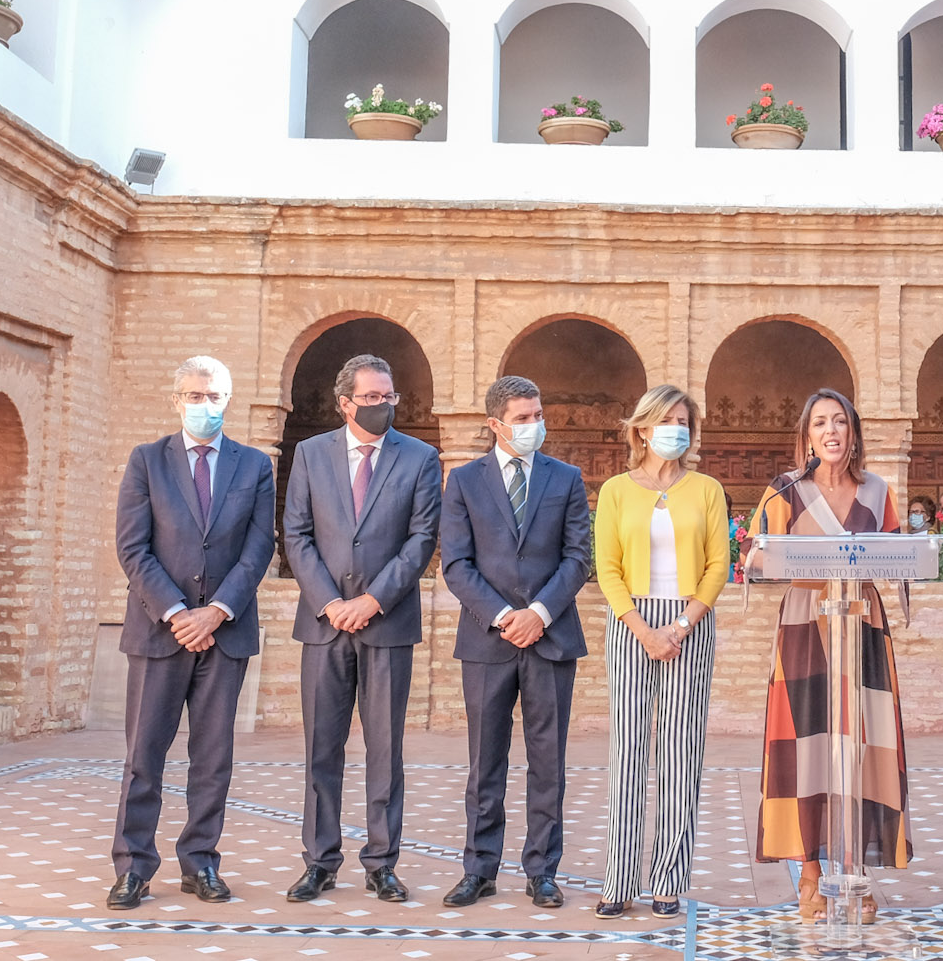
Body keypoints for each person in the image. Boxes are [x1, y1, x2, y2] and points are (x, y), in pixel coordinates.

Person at [108, 355, 276, 910]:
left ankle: (200, 860)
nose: (207, 406)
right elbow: (133, 548)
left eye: (216, 396)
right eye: (196, 396)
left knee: (213, 755)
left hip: (224, 633)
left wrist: (218, 610)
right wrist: (179, 612)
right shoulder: (147, 461)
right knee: (144, 757)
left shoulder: (254, 466)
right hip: (160, 632)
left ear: (228, 400)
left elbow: (259, 548)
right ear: (176, 399)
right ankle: (133, 867)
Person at [280, 353, 443, 904]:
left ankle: (381, 862)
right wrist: (330, 603)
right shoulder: (310, 454)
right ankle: (320, 861)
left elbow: (421, 539)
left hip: (386, 624)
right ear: (345, 402)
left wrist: (372, 600)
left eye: (389, 397)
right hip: (324, 627)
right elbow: (297, 534)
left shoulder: (419, 458)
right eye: (371, 398)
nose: (382, 407)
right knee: (321, 749)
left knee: (385, 750)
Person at [747, 389, 913, 923]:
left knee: (863, 748)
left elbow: (896, 552)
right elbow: (754, 553)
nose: (831, 431)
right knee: (808, 750)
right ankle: (812, 879)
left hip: (861, 622)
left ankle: (858, 878)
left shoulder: (877, 490)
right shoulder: (785, 490)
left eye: (839, 421)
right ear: (807, 435)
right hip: (804, 626)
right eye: (820, 422)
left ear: (853, 432)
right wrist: (756, 553)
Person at [439, 374, 593, 909]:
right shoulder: (463, 481)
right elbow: (455, 565)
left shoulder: (566, 477)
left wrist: (541, 613)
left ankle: (542, 871)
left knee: (547, 762)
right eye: (523, 418)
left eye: (537, 414)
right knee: (486, 761)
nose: (534, 425)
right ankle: (479, 869)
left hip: (551, 639)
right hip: (488, 640)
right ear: (495, 424)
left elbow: (579, 557)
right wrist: (507, 616)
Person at [592, 385, 729, 919]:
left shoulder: (708, 489)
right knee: (627, 750)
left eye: (684, 421)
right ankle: (618, 877)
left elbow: (719, 564)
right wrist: (643, 629)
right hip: (630, 624)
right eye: (665, 420)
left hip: (689, 623)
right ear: (642, 429)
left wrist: (678, 625)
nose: (676, 428)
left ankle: (668, 879)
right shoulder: (617, 491)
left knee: (679, 755)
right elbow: (607, 568)